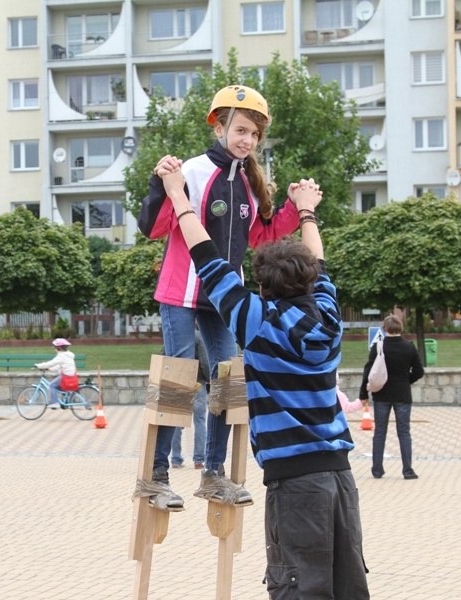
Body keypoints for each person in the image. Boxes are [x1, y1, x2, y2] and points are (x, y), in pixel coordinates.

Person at [157, 164, 369, 599]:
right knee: (348, 586)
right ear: (311, 279)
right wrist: (306, 210)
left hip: (295, 484)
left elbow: (208, 261)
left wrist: (179, 195)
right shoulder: (328, 317)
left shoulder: (258, 322)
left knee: (299, 587)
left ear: (262, 288)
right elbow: (319, 261)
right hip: (339, 478)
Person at [137, 85, 300, 508]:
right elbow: (153, 227)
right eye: (240, 130)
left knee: (229, 381)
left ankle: (213, 474)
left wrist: (294, 208)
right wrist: (160, 183)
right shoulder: (192, 170)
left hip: (223, 297)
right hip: (182, 292)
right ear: (220, 126)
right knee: (179, 378)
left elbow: (259, 236)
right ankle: (155, 476)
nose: (246, 140)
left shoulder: (246, 183)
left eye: (254, 135)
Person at [358, 315, 425, 480]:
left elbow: (368, 371)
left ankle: (377, 469)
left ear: (385, 328)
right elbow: (419, 371)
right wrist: (406, 381)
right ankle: (408, 470)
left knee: (380, 432)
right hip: (402, 394)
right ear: (400, 328)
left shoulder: (378, 346)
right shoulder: (409, 347)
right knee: (404, 432)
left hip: (381, 394)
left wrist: (363, 393)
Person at [170, 329, 209, 469]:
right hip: (198, 382)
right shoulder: (198, 336)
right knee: (200, 421)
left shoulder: (173, 334)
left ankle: (175, 458)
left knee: (176, 422)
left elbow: (164, 354)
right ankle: (199, 459)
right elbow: (204, 361)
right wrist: (209, 379)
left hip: (178, 382)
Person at [34, 338, 78, 409]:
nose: (54, 348)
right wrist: (49, 369)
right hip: (71, 375)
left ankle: (55, 403)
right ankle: (68, 396)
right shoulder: (68, 355)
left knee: (51, 385)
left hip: (66, 376)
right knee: (58, 387)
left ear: (59, 347)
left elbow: (51, 363)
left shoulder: (61, 356)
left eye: (55, 346)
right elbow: (58, 367)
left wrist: (39, 366)